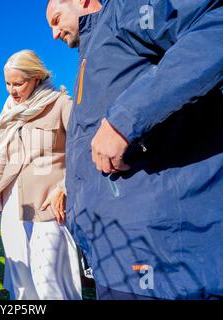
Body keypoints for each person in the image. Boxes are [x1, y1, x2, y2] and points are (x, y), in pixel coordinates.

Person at [46, 0, 223, 299]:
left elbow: (215, 23)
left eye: (56, 19)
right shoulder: (91, 54)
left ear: (82, 1)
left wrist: (126, 119)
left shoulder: (125, 11)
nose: (53, 34)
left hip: (166, 259)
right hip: (115, 258)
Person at [0, 50, 82, 300]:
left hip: (48, 204)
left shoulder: (61, 103)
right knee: (20, 276)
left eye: (18, 83)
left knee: (48, 276)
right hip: (12, 205)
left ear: (37, 77)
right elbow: (0, 157)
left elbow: (82, 149)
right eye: (7, 83)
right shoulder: (7, 113)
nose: (11, 90)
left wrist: (64, 188)